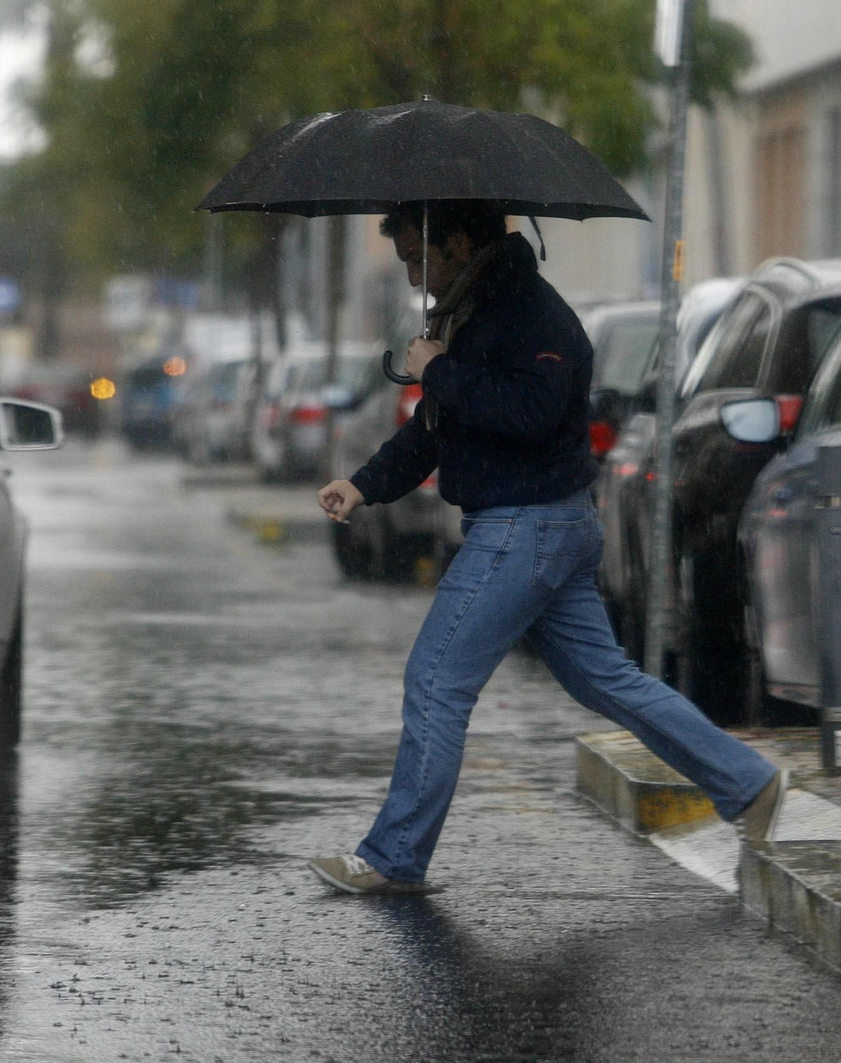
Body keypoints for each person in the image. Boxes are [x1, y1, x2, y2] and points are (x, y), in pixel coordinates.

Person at [309, 201, 787, 895]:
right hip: (539, 527)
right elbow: (436, 430)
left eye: (420, 257)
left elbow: (530, 415)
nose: (414, 273)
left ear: (462, 243)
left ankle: (393, 855)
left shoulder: (531, 312)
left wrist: (440, 370)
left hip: (523, 527)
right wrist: (362, 484)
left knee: (437, 681)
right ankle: (750, 782)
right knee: (607, 681)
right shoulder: (472, 312)